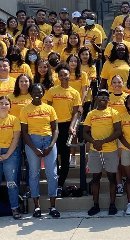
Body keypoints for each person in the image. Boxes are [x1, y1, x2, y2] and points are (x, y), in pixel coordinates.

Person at [21, 84, 59, 218]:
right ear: (30, 93)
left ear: (43, 93)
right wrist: (34, 148)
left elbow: (55, 129)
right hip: (33, 141)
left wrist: (51, 145)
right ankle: (37, 207)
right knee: (33, 174)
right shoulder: (25, 110)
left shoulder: (50, 108)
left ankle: (52, 206)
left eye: (40, 91)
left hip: (49, 141)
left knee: (52, 174)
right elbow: (24, 133)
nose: (37, 93)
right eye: (34, 91)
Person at [43, 64, 81, 196]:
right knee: (53, 158)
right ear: (58, 77)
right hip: (54, 127)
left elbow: (76, 113)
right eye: (61, 75)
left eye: (66, 75)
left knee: (64, 159)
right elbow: (47, 110)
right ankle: (54, 184)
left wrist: (72, 126)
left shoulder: (75, 93)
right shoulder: (52, 91)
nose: (63, 77)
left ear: (69, 75)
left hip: (66, 127)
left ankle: (59, 185)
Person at [83, 89, 122, 216]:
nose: (103, 98)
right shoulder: (91, 114)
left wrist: (102, 141)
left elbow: (118, 131)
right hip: (95, 150)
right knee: (95, 179)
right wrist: (94, 142)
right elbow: (84, 132)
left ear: (108, 100)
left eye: (106, 97)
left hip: (110, 150)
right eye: (100, 96)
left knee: (112, 178)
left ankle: (112, 204)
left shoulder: (113, 112)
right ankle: (95, 205)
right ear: (96, 98)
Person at [0, 96, 22, 219]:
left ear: (10, 107)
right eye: (1, 103)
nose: (3, 105)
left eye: (6, 104)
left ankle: (14, 208)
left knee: (11, 183)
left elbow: (16, 139)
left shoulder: (14, 119)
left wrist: (7, 155)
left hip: (10, 153)